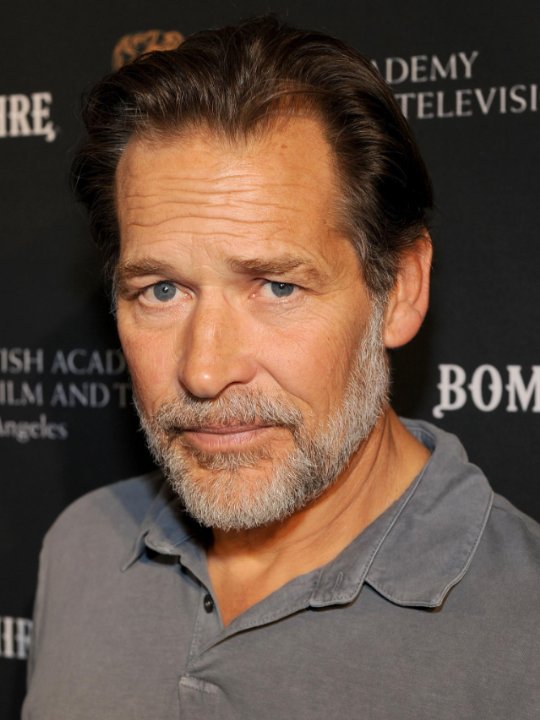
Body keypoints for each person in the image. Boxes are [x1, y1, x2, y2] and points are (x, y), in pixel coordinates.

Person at [23, 16, 539, 719]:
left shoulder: (524, 631)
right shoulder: (81, 548)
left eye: (277, 287)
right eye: (162, 290)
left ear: (400, 290)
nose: (205, 372)